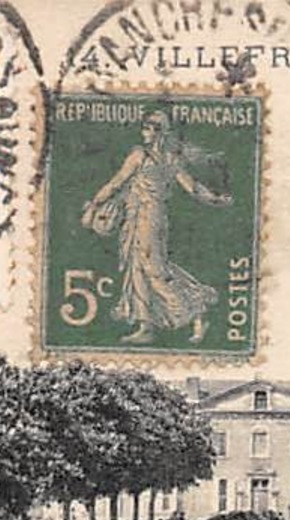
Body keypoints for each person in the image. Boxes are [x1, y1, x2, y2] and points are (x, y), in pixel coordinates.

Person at [80, 108, 233, 344]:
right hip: (152, 218)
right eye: (144, 128)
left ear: (158, 132)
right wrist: (214, 198)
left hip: (144, 217)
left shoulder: (140, 156)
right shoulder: (171, 159)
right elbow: (193, 187)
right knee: (142, 267)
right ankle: (146, 326)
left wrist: (93, 205)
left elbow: (115, 184)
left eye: (148, 128)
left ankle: (195, 311)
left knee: (152, 270)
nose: (144, 133)